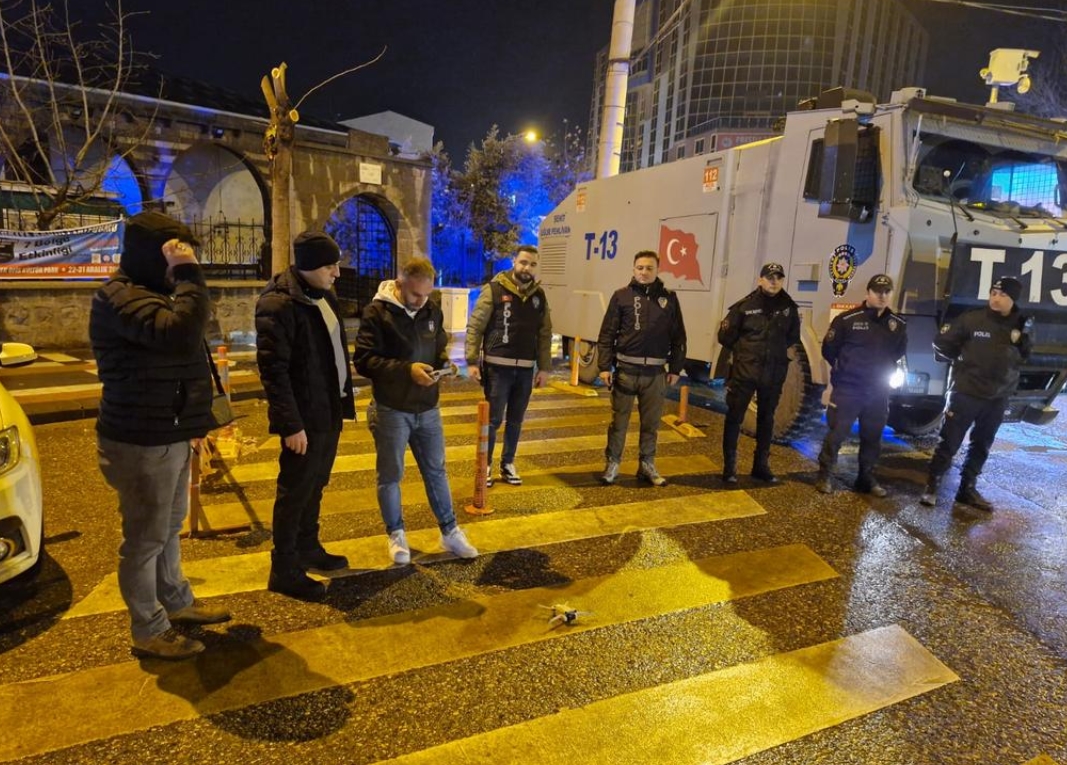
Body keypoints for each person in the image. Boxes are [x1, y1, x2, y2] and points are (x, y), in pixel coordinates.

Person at [91, 211, 231, 661]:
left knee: (168, 529)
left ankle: (176, 602)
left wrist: (194, 425)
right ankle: (148, 629)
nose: (182, 265)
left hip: (168, 431)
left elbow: (190, 344)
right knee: (146, 537)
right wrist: (190, 277)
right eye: (174, 256)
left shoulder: (155, 293)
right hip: (141, 438)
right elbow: (178, 337)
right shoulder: (120, 297)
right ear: (152, 256)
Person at [354, 257, 479, 564]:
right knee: (391, 476)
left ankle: (449, 532)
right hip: (392, 409)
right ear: (399, 285)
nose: (421, 301)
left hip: (428, 407)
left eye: (426, 295)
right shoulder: (377, 313)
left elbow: (438, 347)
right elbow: (364, 361)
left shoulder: (431, 310)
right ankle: (395, 533)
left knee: (436, 471)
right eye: (415, 295)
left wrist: (443, 365)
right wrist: (407, 370)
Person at [256, 231, 354, 601]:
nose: (337, 273)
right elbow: (273, 370)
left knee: (316, 485)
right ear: (310, 265)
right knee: (294, 492)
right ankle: (284, 569)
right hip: (304, 417)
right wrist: (290, 424)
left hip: (328, 409)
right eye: (330, 266)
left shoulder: (322, 295)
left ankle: (308, 547)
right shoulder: (279, 304)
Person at [920, 277, 1031, 511]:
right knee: (948, 443)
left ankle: (967, 489)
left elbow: (1026, 353)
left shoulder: (1022, 323)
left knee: (981, 445)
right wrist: (960, 363)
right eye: (993, 293)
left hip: (997, 397)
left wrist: (1023, 339)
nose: (995, 298)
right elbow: (941, 343)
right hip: (966, 392)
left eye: (1002, 295)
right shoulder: (972, 319)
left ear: (1013, 299)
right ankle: (932, 487)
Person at [596, 250, 687, 486]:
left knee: (651, 424)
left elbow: (679, 337)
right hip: (626, 371)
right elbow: (606, 334)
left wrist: (676, 368)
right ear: (633, 269)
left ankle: (647, 465)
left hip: (655, 374)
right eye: (639, 268)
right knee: (619, 423)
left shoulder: (669, 298)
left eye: (649, 268)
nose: (644, 272)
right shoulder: (621, 296)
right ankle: (613, 463)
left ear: (657, 270)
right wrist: (604, 367)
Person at [465, 245, 552, 487]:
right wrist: (471, 361)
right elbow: (476, 326)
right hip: (497, 368)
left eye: (533, 264)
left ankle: (508, 463)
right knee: (493, 420)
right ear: (514, 261)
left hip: (525, 369)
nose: (527, 268)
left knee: (516, 419)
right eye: (524, 262)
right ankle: (487, 465)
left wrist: (544, 368)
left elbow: (545, 333)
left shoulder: (539, 296)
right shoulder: (494, 289)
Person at [815, 274, 907, 497]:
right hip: (849, 389)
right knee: (837, 434)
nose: (882, 296)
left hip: (878, 392)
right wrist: (846, 371)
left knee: (872, 437)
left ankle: (865, 478)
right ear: (868, 293)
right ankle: (825, 475)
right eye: (877, 291)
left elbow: (898, 352)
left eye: (886, 292)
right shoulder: (847, 320)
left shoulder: (898, 324)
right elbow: (829, 349)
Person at [717, 262, 801, 484]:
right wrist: (747, 353)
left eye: (778, 278)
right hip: (745, 373)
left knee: (766, 420)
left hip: (773, 375)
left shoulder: (789, 307)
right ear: (760, 280)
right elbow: (725, 337)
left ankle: (761, 466)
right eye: (769, 277)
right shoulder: (744, 306)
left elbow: (792, 337)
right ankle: (730, 468)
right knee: (734, 418)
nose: (774, 281)